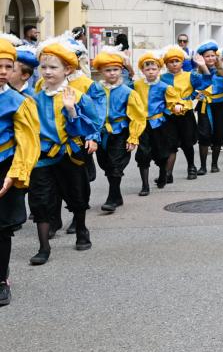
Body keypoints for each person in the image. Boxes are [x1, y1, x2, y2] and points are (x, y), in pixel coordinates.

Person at [28, 38, 101, 264]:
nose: (47, 72)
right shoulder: (33, 98)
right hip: (42, 157)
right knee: (40, 200)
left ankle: (81, 230)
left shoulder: (77, 97)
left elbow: (91, 125)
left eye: (53, 67)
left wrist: (71, 112)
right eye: (43, 67)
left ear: (67, 69)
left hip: (70, 154)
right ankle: (43, 247)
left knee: (77, 195)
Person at [0, 35, 41, 306]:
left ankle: (1, 279)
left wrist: (13, 174)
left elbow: (27, 142)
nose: (3, 72)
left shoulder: (19, 101)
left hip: (5, 167)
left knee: (1, 229)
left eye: (7, 66)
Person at [91, 47, 145, 213]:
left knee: (115, 164)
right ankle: (117, 195)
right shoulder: (95, 89)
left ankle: (112, 198)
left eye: (115, 70)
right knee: (105, 164)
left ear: (121, 71)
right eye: (108, 70)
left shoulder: (128, 92)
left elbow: (138, 116)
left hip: (120, 132)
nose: (112, 73)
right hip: (101, 133)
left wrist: (133, 137)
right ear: (101, 71)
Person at [160, 44, 209, 182]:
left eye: (177, 61)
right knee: (170, 144)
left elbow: (205, 83)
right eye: (171, 62)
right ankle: (168, 173)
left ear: (182, 62)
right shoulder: (162, 78)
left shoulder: (190, 75)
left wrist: (203, 66)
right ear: (166, 64)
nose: (174, 64)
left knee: (187, 143)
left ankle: (191, 166)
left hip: (186, 113)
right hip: (169, 115)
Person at [194, 41, 223, 172]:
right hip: (205, 105)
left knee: (219, 134)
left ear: (216, 57)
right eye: (207, 56)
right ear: (202, 58)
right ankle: (203, 166)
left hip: (220, 105)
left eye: (212, 56)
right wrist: (203, 68)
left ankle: (214, 164)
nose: (210, 58)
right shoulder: (197, 73)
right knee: (204, 135)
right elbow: (200, 86)